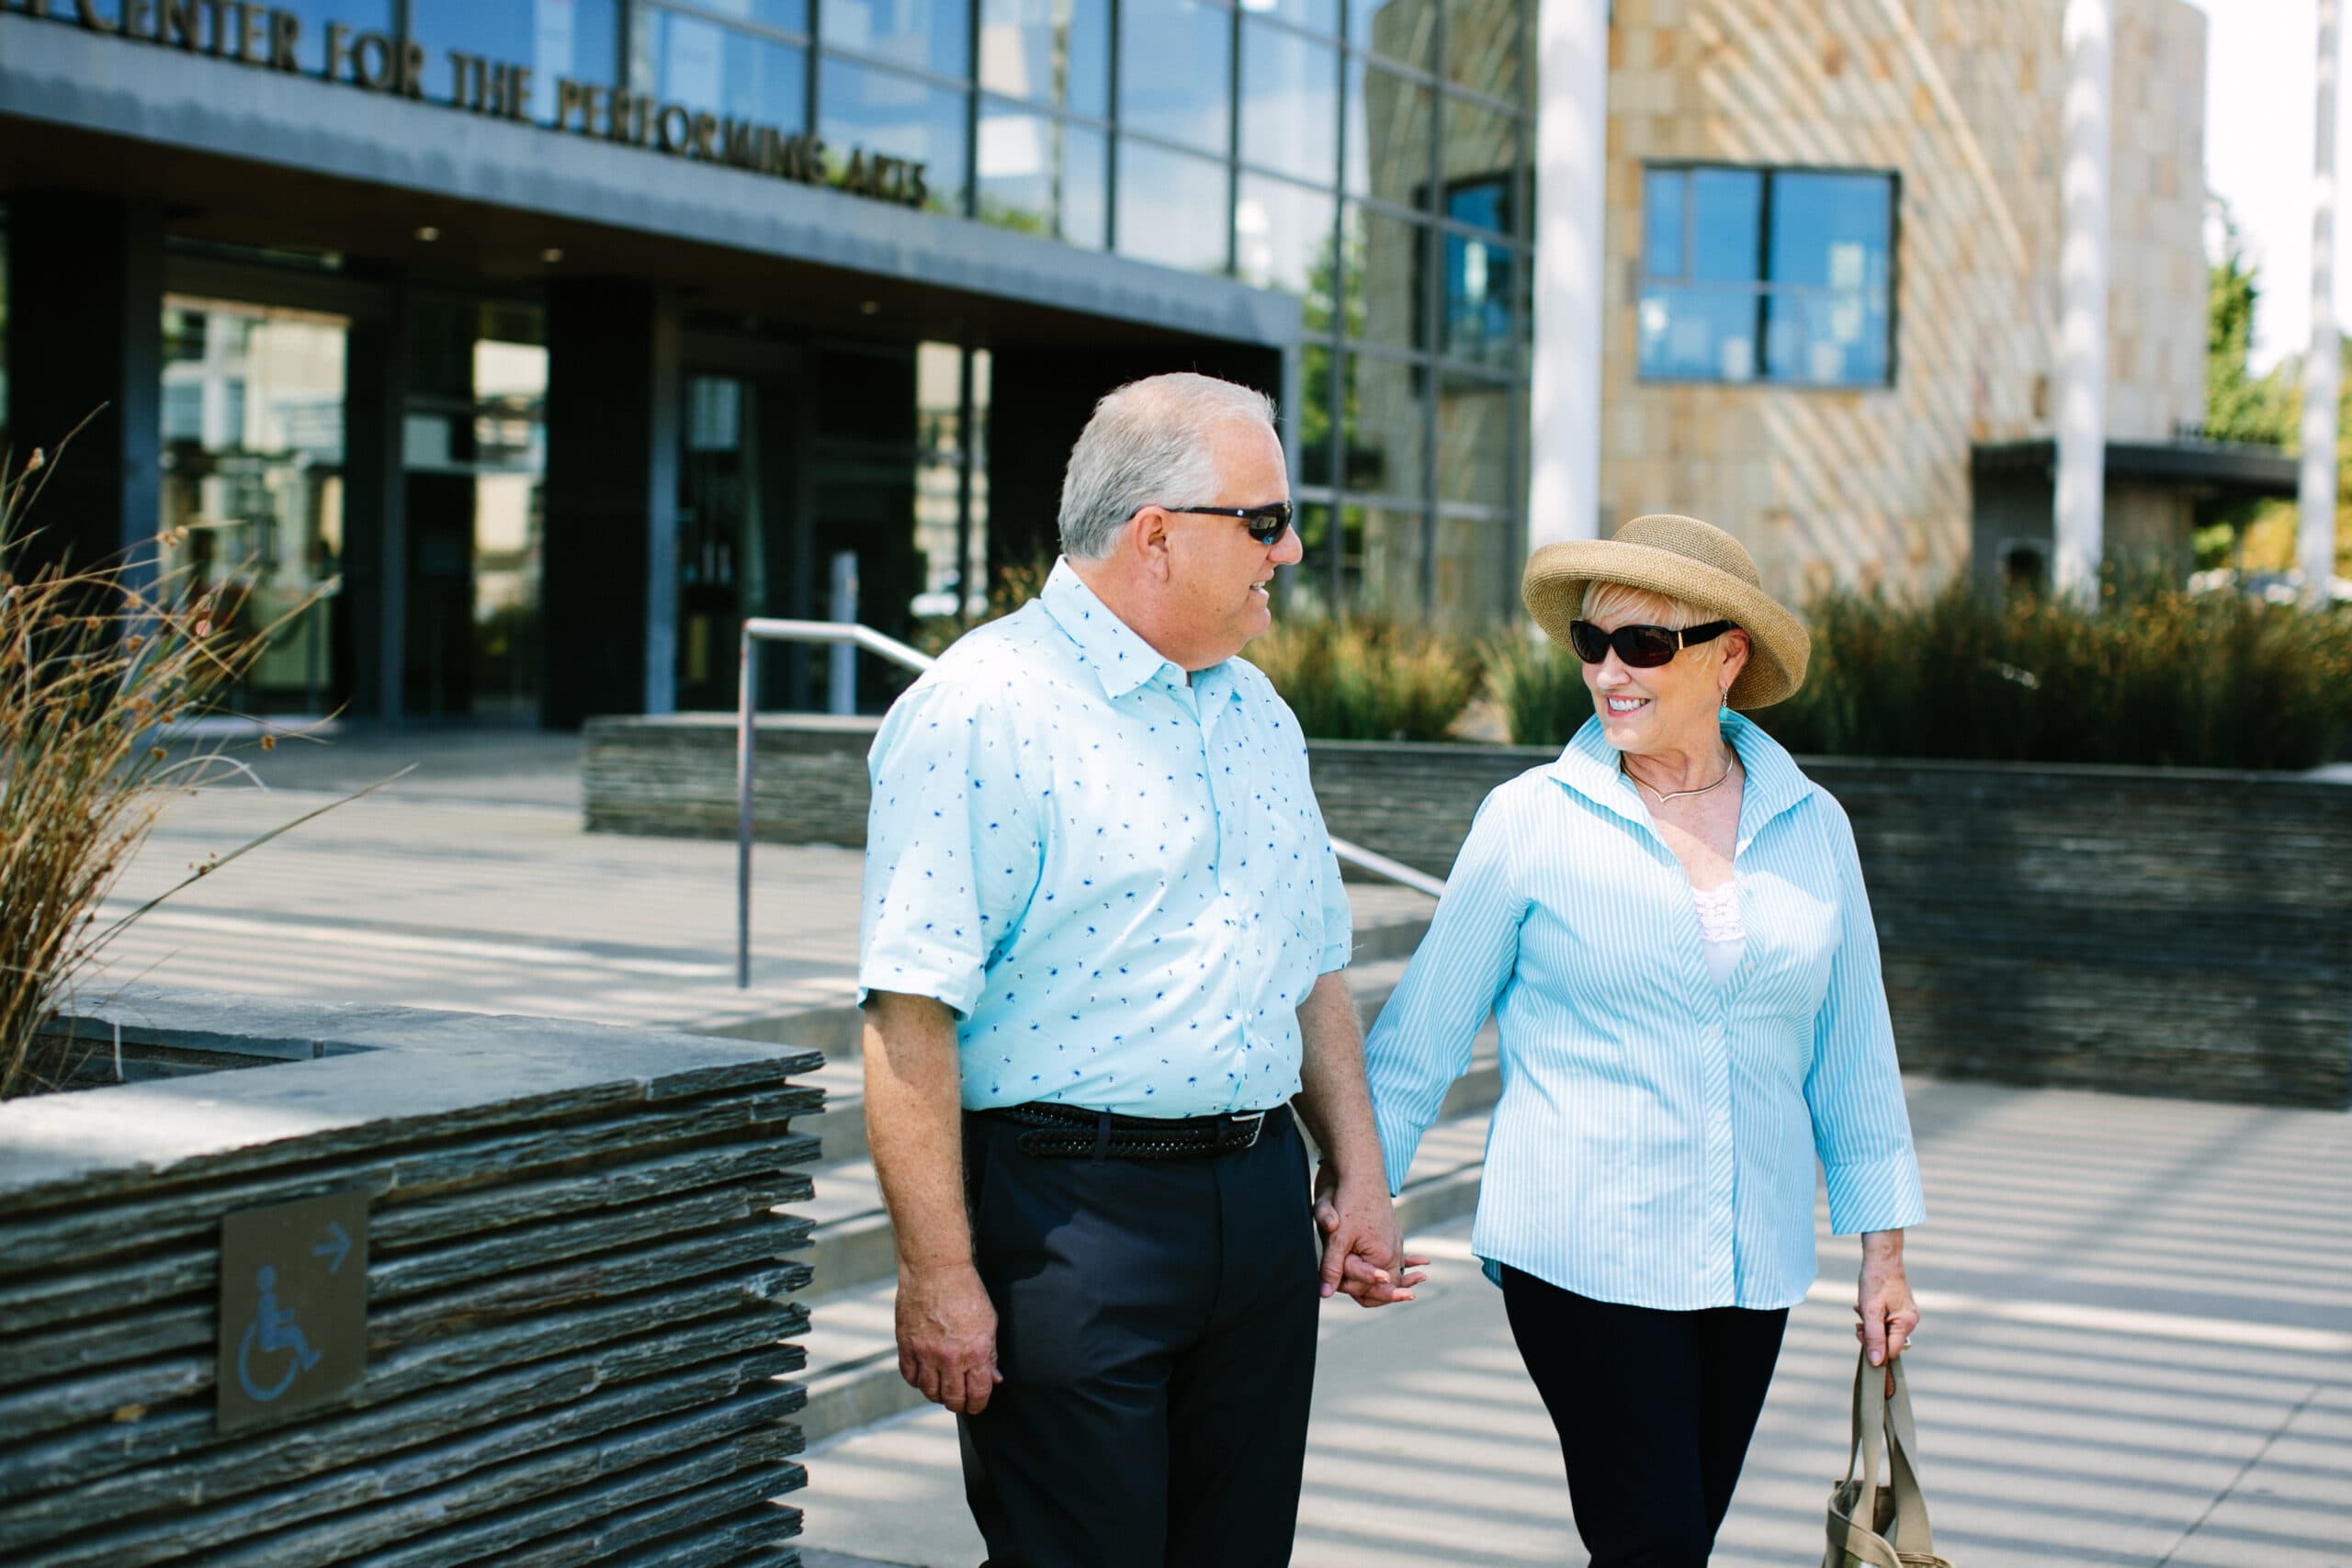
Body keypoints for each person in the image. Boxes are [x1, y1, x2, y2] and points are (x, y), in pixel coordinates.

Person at [857, 372, 1420, 1568]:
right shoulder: (982, 708)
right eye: (1265, 520)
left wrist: (1356, 1172)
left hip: (1259, 1211)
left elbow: (1313, 964)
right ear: (1157, 534)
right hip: (1072, 1218)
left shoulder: (1260, 710)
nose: (1294, 546)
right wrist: (937, 1273)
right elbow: (909, 1015)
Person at [1361, 513, 1926, 1567]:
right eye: (1592, 642)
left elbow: (1853, 1051)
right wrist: (1361, 1200)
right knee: (1655, 1540)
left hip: (1748, 1258)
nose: (1608, 673)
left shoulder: (1813, 824)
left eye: (1645, 646)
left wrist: (1882, 1258)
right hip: (1581, 1250)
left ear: (1728, 655)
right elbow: (1419, 1039)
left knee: (1671, 1540)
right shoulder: (1528, 819)